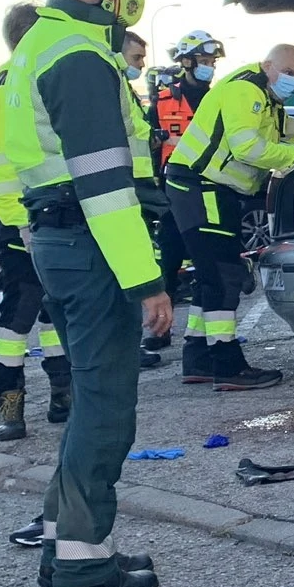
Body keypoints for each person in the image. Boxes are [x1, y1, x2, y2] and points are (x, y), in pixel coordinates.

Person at [4, 0, 167, 587]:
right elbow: (104, 188)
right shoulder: (78, 57)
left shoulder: (42, 44)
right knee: (107, 409)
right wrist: (148, 282)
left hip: (57, 242)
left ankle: (67, 546)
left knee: (90, 406)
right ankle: (81, 571)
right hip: (94, 248)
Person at [165, 43, 294, 390]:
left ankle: (198, 356)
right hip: (201, 185)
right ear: (268, 65)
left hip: (206, 187)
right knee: (224, 276)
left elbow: (292, 128)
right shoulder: (245, 90)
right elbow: (248, 148)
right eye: (289, 73)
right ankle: (226, 364)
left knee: (212, 274)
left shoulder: (266, 97)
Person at [0, 1, 72, 441]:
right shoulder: (19, 78)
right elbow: (14, 157)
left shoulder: (2, 77)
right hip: (27, 215)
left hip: (21, 211)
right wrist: (23, 222)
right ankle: (13, 403)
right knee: (23, 311)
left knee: (49, 309)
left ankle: (56, 392)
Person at [153, 32, 223, 307]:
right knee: (169, 258)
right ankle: (162, 327)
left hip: (210, 186)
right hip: (173, 191)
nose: (210, 67)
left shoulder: (218, 98)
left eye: (212, 62)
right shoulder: (163, 101)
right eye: (204, 60)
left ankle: (203, 332)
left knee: (209, 259)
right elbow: (151, 147)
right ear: (186, 61)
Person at [119, 30, 171, 370]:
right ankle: (129, 348)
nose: (141, 65)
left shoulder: (123, 87)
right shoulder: (111, 84)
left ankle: (134, 345)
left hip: (137, 185)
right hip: (127, 187)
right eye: (136, 58)